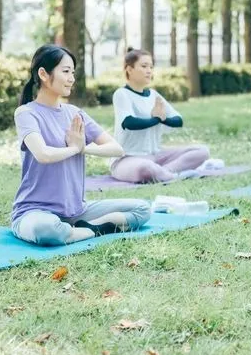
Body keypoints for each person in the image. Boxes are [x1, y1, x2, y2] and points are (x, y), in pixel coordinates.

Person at [12, 45, 150, 246]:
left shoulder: (74, 113)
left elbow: (117, 149)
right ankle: (85, 230)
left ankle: (87, 229)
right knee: (46, 230)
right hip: (35, 212)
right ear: (43, 73)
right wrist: (74, 149)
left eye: (73, 73)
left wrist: (84, 148)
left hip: (77, 211)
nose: (71, 78)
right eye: (65, 71)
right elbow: (43, 154)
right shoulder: (26, 113)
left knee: (142, 209)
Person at [110, 48, 210, 183]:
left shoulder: (153, 95)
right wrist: (156, 119)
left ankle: (165, 173)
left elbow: (178, 120)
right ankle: (175, 176)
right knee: (146, 168)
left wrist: (163, 119)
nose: (149, 70)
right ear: (129, 69)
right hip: (127, 159)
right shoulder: (122, 94)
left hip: (156, 156)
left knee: (202, 151)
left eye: (151, 67)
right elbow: (129, 123)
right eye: (144, 66)